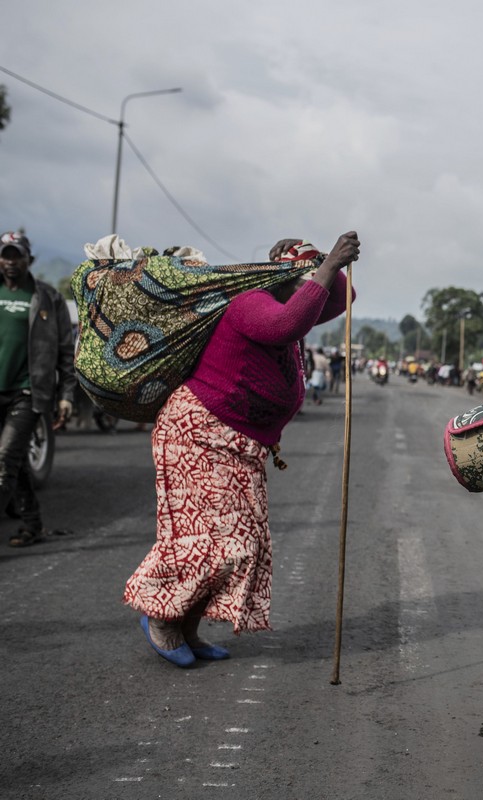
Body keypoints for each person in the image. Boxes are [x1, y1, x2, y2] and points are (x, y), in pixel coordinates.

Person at [124, 232, 360, 667]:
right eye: (304, 277)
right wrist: (326, 268)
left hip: (238, 445)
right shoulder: (250, 302)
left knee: (243, 545)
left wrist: (327, 260)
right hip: (197, 434)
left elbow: (344, 295)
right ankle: (159, 617)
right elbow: (283, 325)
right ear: (281, 278)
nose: (313, 285)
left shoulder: (294, 305)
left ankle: (188, 631)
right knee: (210, 540)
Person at [0, 232, 75, 548]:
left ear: (28, 259)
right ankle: (32, 524)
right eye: (6, 255)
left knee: (4, 460)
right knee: (15, 462)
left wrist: (66, 395)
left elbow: (65, 349)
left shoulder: (47, 297)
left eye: (17, 255)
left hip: (27, 391)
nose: (10, 261)